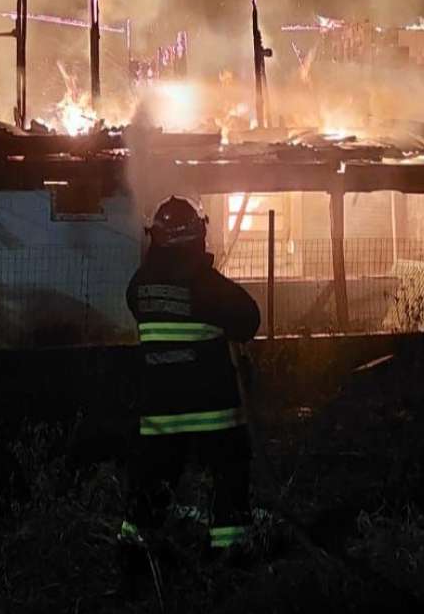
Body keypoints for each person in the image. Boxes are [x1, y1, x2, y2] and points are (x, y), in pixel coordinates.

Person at [118, 195, 261, 577]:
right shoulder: (208, 285)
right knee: (229, 473)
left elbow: (140, 304)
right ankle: (231, 553)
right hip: (214, 411)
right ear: (199, 236)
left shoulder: (139, 286)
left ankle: (136, 557)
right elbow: (249, 318)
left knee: (152, 481)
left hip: (160, 414)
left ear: (156, 237)